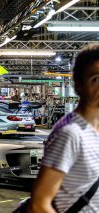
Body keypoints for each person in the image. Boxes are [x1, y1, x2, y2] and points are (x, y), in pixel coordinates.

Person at [28, 44, 99, 212]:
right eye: (96, 79)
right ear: (79, 85)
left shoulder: (95, 130)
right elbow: (39, 204)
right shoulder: (71, 134)